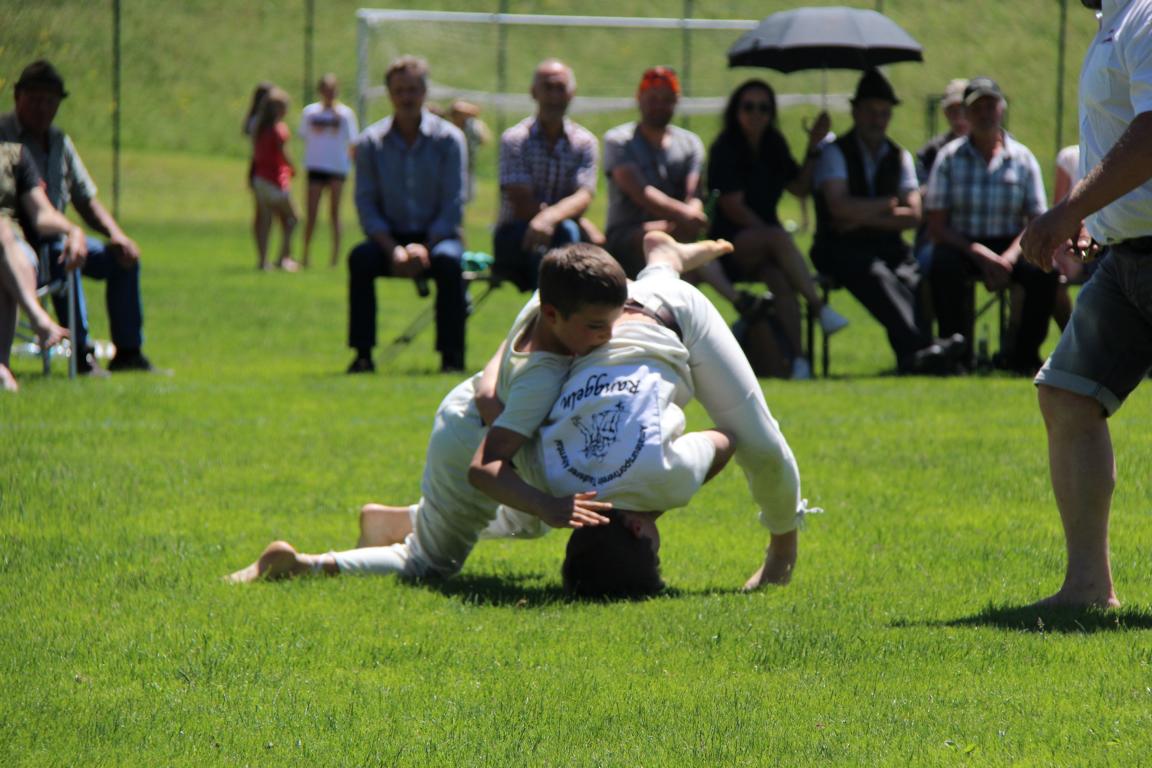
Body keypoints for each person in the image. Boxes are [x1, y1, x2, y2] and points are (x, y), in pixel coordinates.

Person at [229, 242, 631, 583]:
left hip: (465, 405)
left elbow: (502, 349)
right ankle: (298, 565)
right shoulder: (544, 376)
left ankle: (388, 523)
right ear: (553, 315)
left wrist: (489, 388)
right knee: (430, 564)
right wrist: (547, 505)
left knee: (527, 519)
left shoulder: (545, 299)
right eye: (597, 326)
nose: (608, 336)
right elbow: (484, 468)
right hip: (469, 445)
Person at [1019, 0, 1152, 608]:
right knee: (1068, 393)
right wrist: (1100, 216)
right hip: (1126, 258)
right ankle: (1087, 588)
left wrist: (1070, 208)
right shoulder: (1117, 20)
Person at [0, 60, 154, 373]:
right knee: (64, 255)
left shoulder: (59, 141)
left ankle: (128, 352)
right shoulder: (6, 140)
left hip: (61, 234)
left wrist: (117, 235)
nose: (43, 108)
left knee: (122, 259)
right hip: (27, 242)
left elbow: (85, 199)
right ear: (17, 96)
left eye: (50, 101)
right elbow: (37, 216)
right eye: (35, 99)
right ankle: (81, 351)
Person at [810, 69, 958, 374]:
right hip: (839, 248)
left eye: (884, 113)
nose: (877, 120)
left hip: (886, 246)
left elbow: (914, 215)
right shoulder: (834, 152)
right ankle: (926, 351)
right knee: (878, 275)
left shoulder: (898, 155)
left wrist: (859, 216)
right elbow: (838, 209)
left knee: (913, 276)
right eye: (870, 112)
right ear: (855, 112)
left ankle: (916, 355)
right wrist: (887, 205)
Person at [706, 79, 849, 379]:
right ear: (736, 111)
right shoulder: (725, 148)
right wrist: (772, 237)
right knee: (777, 237)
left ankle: (798, 361)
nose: (756, 114)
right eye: (748, 107)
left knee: (780, 281)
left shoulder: (774, 144)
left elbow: (799, 187)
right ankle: (819, 308)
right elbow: (733, 207)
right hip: (729, 245)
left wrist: (813, 146)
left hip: (766, 245)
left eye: (764, 108)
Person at [346, 56, 469, 374]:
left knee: (449, 262)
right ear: (389, 94)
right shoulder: (371, 143)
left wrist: (425, 247)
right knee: (360, 258)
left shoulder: (449, 140)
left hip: (438, 236)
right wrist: (393, 249)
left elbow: (454, 202)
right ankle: (362, 355)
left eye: (413, 89)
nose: (407, 97)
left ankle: (451, 357)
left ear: (425, 92)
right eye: (399, 90)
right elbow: (365, 204)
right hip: (389, 237)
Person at [925, 77, 1056, 374]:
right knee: (942, 264)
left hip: (1012, 243)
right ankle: (957, 353)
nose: (984, 114)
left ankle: (1022, 355)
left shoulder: (1022, 158)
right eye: (977, 108)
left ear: (1001, 109)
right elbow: (937, 225)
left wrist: (1009, 256)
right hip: (963, 243)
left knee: (1044, 271)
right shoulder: (948, 158)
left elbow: (1036, 219)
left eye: (990, 106)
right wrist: (979, 253)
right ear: (966, 114)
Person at [492, 59, 599, 291]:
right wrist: (560, 218)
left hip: (561, 233)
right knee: (569, 234)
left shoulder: (585, 142)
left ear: (571, 94)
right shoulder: (515, 140)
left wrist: (549, 218)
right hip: (514, 235)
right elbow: (520, 201)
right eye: (547, 88)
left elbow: (583, 195)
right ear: (533, 92)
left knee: (572, 236)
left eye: (560, 88)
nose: (553, 96)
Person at [603, 67, 707, 278]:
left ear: (676, 101)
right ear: (639, 98)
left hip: (678, 228)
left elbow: (694, 193)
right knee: (669, 242)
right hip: (627, 233)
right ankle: (738, 299)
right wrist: (686, 215)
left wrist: (693, 213)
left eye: (666, 99)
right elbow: (642, 194)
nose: (659, 105)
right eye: (652, 98)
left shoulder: (690, 143)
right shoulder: (619, 140)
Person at [0, 139, 83, 391]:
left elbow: (42, 213)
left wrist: (73, 230)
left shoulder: (13, 155)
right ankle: (37, 318)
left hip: (14, 252)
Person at [298, 74, 358, 268]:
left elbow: (352, 142)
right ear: (320, 91)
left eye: (333, 90)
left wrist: (347, 162)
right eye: (326, 90)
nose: (330, 94)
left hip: (337, 168)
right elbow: (304, 135)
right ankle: (305, 256)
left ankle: (334, 260)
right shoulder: (310, 112)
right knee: (311, 214)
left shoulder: (346, 114)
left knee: (335, 214)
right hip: (316, 166)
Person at [249, 87, 299, 272]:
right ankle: (282, 258)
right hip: (276, 180)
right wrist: (293, 168)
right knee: (293, 218)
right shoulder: (279, 129)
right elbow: (283, 153)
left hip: (259, 179)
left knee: (265, 221)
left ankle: (263, 261)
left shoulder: (257, 127)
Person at [1050, 144, 1087, 329]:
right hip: (1077, 243)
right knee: (1051, 276)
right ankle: (1071, 333)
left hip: (1107, 243)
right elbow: (1060, 210)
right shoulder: (1070, 156)